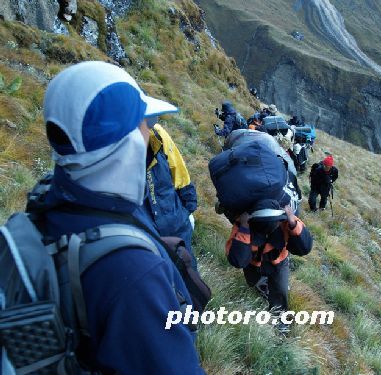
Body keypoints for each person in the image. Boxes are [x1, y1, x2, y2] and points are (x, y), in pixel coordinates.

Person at [37, 61, 204, 373]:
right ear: (125, 143)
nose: (149, 130)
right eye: (144, 122)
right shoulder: (136, 272)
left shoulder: (48, 197)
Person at [225, 200, 313, 332]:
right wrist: (244, 227)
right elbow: (237, 260)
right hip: (253, 263)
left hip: (279, 261)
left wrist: (293, 223)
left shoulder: (287, 219)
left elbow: (305, 247)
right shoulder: (243, 221)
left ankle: (280, 319)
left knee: (280, 290)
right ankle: (265, 287)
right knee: (253, 282)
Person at [143, 119, 198, 268]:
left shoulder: (158, 134)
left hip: (175, 221)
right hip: (148, 233)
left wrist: (189, 203)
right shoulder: (108, 150)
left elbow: (177, 167)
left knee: (188, 273)